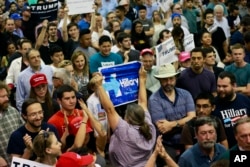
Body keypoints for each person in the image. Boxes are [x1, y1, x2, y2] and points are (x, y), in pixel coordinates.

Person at [93, 66, 156, 166]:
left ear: (127, 118)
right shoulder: (150, 126)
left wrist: (100, 86)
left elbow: (109, 110)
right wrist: (142, 79)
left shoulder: (125, 130)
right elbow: (143, 102)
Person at [148, 64, 196, 163]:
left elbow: (192, 118)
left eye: (171, 79)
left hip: (188, 140)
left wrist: (172, 124)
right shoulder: (154, 99)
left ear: (175, 78)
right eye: (165, 80)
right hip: (167, 143)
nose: (168, 82)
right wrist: (184, 121)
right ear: (160, 80)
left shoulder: (186, 94)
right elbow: (163, 128)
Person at [212, 71, 250, 148]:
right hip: (226, 148)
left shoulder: (245, 100)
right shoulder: (214, 104)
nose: (221, 89)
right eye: (219, 86)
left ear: (234, 86)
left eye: (224, 86)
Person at [0, 81, 24, 166]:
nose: (7, 99)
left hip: (20, 161)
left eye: (7, 95)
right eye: (2, 96)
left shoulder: (12, 111)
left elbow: (24, 131)